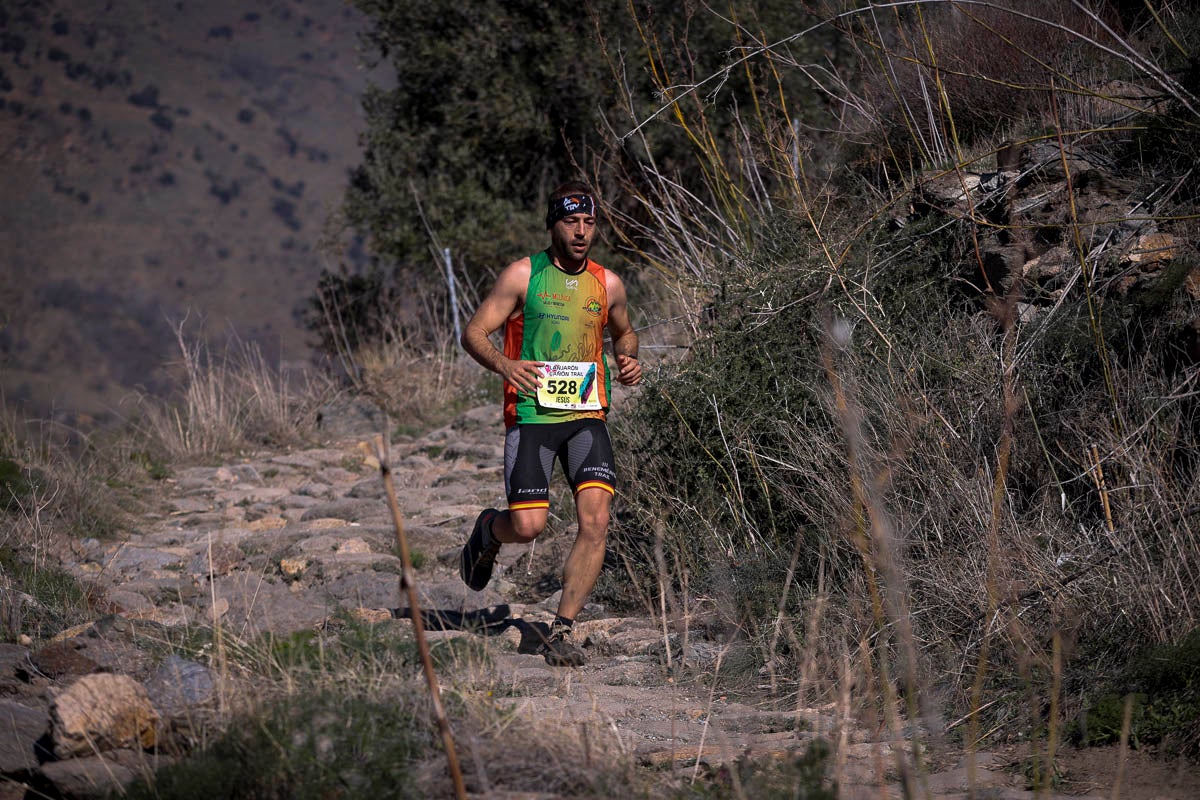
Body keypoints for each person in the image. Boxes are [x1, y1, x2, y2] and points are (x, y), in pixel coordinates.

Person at [458, 181, 642, 667]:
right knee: (529, 525)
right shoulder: (523, 276)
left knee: (596, 521)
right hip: (532, 416)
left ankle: (561, 629)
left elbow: (625, 333)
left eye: (589, 223)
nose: (581, 232)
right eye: (571, 222)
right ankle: (489, 531)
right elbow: (474, 332)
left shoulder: (609, 284)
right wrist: (504, 365)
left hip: (586, 415)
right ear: (553, 224)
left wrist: (628, 361)